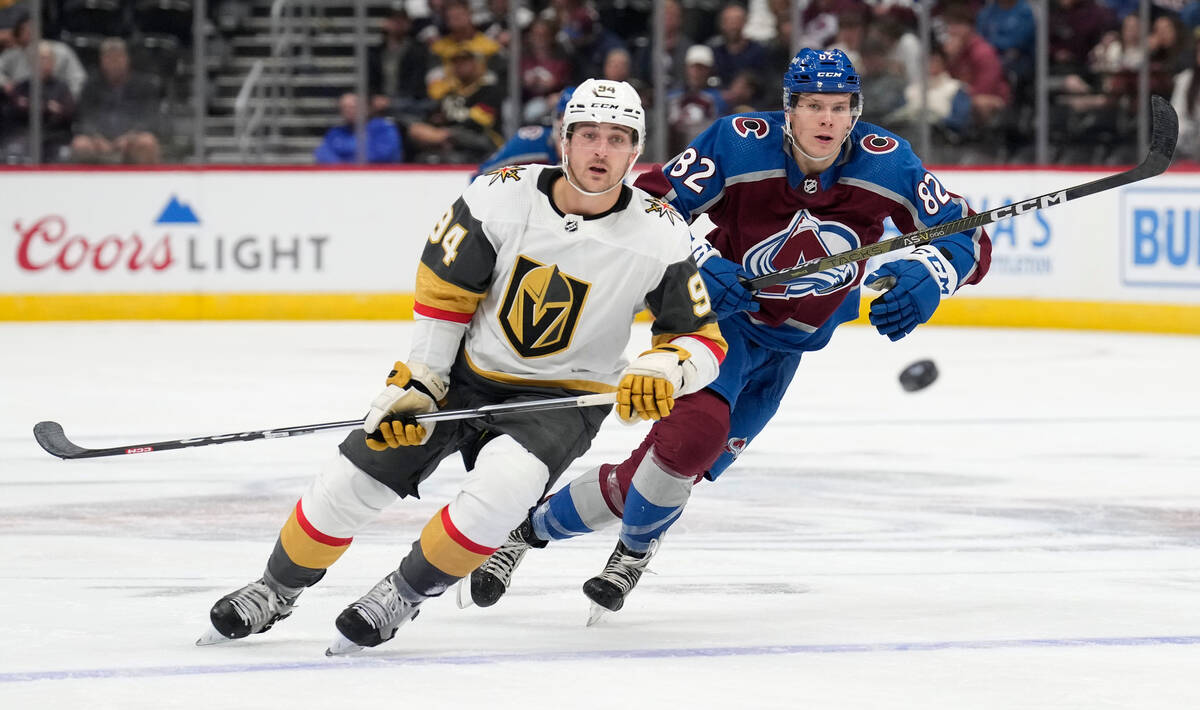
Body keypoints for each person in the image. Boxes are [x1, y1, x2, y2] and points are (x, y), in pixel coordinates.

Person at [198, 78, 727, 654]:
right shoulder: (496, 196)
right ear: (563, 140)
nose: (602, 150)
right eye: (589, 135)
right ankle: (275, 589)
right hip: (462, 377)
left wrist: (665, 370)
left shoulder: (662, 232)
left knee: (502, 494)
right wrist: (420, 382)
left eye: (618, 138)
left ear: (636, 149)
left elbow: (701, 340)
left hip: (562, 401)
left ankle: (403, 593)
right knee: (349, 482)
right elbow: (445, 299)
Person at [464, 48, 993, 621]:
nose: (826, 120)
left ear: (855, 112)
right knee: (690, 440)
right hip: (720, 330)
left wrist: (934, 274)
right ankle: (634, 553)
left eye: (839, 108)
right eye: (813, 106)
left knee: (658, 472)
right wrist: (697, 260)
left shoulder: (888, 164)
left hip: (787, 353)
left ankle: (528, 531)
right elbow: (644, 207)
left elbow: (968, 235)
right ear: (787, 110)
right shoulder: (739, 143)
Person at [70, 38, 164, 165]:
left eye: (118, 57)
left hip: (132, 139)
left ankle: (146, 184)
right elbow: (84, 116)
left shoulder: (145, 85)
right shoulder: (90, 85)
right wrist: (96, 137)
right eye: (109, 58)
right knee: (80, 144)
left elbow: (150, 116)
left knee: (147, 142)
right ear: (102, 60)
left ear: (127, 59)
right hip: (98, 140)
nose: (114, 62)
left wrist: (131, 137)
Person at [473, 85, 573, 178]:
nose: (568, 125)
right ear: (556, 118)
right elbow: (480, 177)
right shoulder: (530, 143)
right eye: (564, 116)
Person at [313, 92, 403, 164]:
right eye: (344, 107)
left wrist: (347, 161)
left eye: (353, 107)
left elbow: (382, 155)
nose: (349, 111)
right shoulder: (335, 132)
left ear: (367, 108)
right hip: (342, 178)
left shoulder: (384, 128)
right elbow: (323, 155)